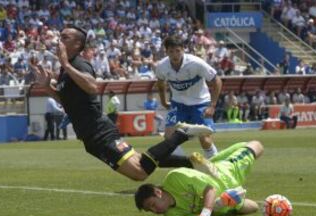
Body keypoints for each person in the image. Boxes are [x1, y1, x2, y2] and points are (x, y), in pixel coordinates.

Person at [31, 26, 214, 181]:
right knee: (140, 161)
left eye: (65, 37)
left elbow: (93, 87)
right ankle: (192, 163)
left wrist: (66, 65)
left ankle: (181, 134)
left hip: (98, 131)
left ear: (77, 44)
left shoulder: (79, 65)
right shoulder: (66, 70)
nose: (59, 41)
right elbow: (67, 102)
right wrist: (47, 87)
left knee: (140, 173)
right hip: (90, 135)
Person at [135, 140, 263, 216]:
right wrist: (218, 206)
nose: (154, 210)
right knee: (254, 208)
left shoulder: (175, 178)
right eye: (150, 210)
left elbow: (210, 189)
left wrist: (205, 214)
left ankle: (206, 165)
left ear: (158, 192)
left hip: (224, 175)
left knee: (255, 146)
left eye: (152, 204)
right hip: (226, 199)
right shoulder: (172, 215)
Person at [156, 36, 222, 159]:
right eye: (171, 51)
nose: (175, 55)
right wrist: (164, 101)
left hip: (200, 103)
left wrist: (212, 105)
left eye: (178, 51)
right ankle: (184, 164)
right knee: (168, 136)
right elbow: (160, 84)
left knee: (205, 139)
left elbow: (217, 81)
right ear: (166, 52)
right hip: (178, 104)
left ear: (183, 50)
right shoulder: (161, 66)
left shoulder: (196, 63)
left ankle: (215, 164)